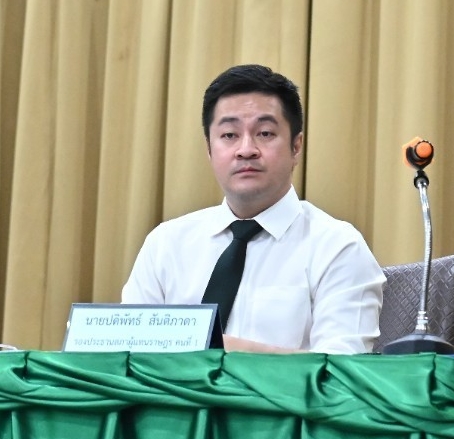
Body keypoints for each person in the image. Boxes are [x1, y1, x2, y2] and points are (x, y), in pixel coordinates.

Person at [122, 64, 385, 354]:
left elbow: (340, 369)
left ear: (296, 147)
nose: (246, 149)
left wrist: (221, 350)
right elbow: (128, 356)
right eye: (229, 135)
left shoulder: (337, 247)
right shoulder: (166, 244)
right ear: (209, 149)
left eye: (265, 133)